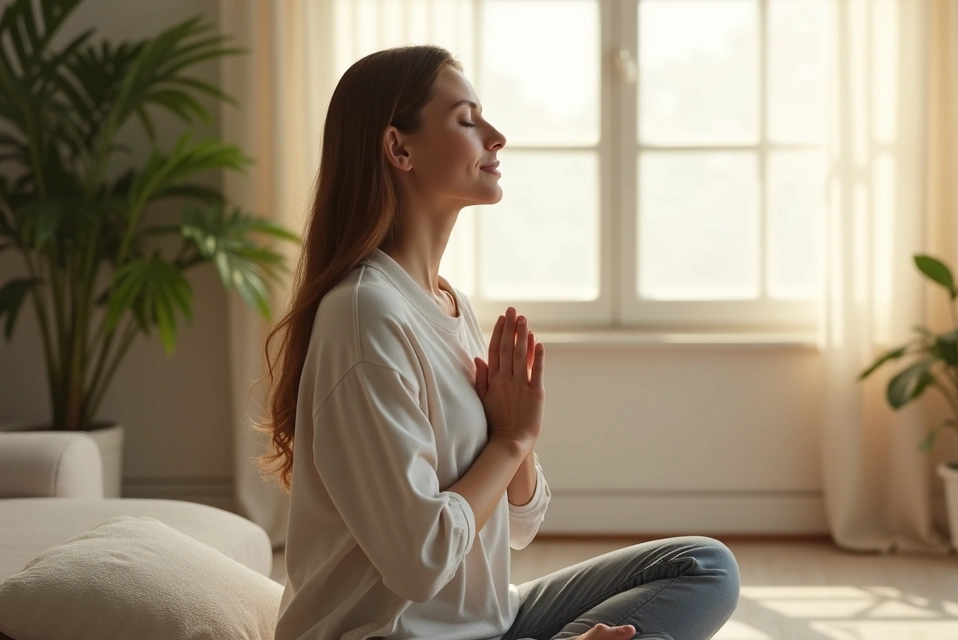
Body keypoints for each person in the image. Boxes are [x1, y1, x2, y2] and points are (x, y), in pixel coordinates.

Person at [258, 45, 741, 640]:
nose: (497, 135)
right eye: (466, 119)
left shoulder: (446, 303)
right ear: (398, 148)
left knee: (706, 568)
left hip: (491, 622)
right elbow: (420, 560)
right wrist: (510, 439)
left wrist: (519, 439)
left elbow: (518, 523)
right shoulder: (364, 315)